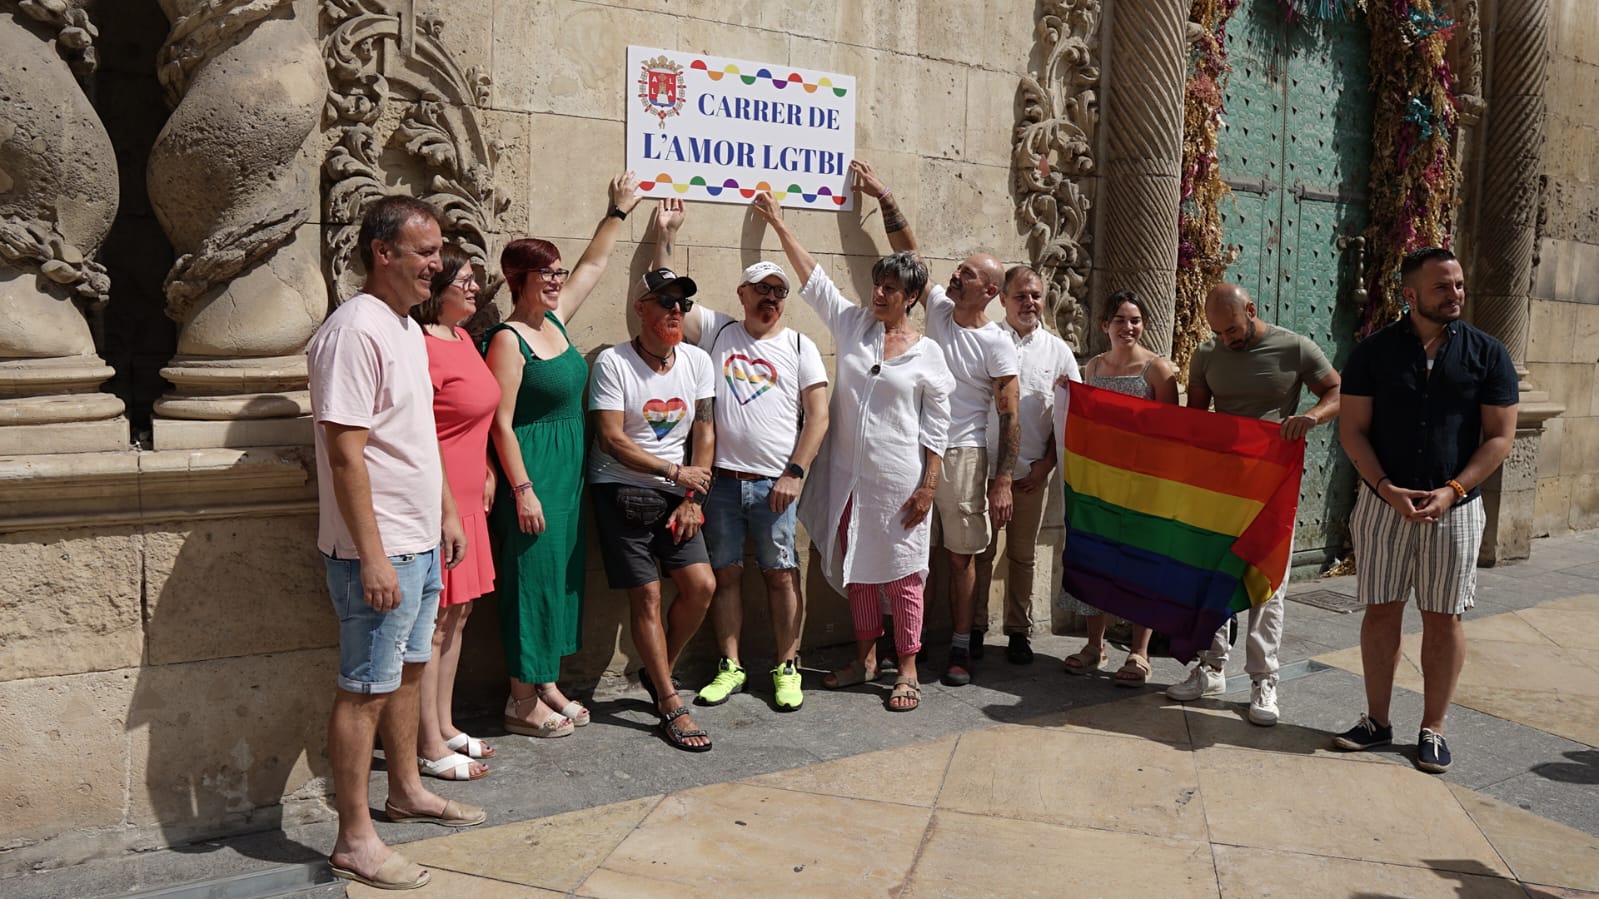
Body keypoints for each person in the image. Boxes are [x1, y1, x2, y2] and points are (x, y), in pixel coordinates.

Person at [310, 196, 485, 893]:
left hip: (419, 542)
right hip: (375, 552)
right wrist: (373, 553)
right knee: (364, 689)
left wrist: (445, 510)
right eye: (424, 251)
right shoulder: (354, 331)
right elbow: (346, 453)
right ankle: (355, 838)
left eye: (438, 251)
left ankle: (407, 788)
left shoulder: (408, 328)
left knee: (409, 672)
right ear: (382, 252)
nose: (436, 264)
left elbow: (419, 437)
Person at [752, 189, 955, 714]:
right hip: (849, 481)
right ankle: (865, 659)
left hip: (901, 482)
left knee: (905, 576)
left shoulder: (928, 354)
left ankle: (906, 668)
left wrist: (929, 485)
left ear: (910, 297)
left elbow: (939, 425)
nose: (879, 294)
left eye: (890, 288)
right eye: (876, 284)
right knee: (858, 571)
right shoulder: (854, 326)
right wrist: (778, 224)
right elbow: (814, 280)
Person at [1332, 247, 1517, 773]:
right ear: (1410, 295)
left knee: (1443, 617)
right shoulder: (1372, 353)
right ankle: (1376, 720)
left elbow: (1500, 437)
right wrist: (1386, 488)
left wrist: (1453, 489)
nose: (1455, 294)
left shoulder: (1489, 354)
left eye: (1458, 284)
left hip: (1454, 508)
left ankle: (1433, 728)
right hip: (1383, 502)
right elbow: (1353, 431)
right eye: (1442, 287)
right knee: (1382, 609)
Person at [650, 199, 831, 712]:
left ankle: (787, 665)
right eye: (762, 290)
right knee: (725, 574)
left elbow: (818, 417)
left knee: (781, 573)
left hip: (777, 484)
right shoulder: (719, 330)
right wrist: (666, 236)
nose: (770, 299)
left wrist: (795, 472)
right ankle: (730, 665)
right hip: (721, 483)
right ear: (742, 294)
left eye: (779, 291)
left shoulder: (800, 346)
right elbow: (667, 299)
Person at [484, 173, 642, 739]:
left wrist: (618, 212)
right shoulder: (508, 338)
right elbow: (500, 423)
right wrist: (522, 490)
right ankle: (520, 697)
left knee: (560, 577)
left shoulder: (552, 319)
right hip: (534, 470)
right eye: (545, 273)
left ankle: (546, 681)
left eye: (556, 271)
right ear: (517, 280)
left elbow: (593, 267)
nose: (556, 280)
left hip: (569, 469)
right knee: (531, 580)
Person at [851, 160, 1020, 688]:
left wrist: (1004, 477)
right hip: (914, 448)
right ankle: (903, 644)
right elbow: (910, 255)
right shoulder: (942, 308)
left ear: (988, 290)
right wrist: (884, 194)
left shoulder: (998, 342)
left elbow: (1008, 412)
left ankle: (962, 646)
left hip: (965, 454)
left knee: (960, 556)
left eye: (968, 273)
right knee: (906, 552)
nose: (956, 274)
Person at [1166, 283, 1341, 727]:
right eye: (1219, 333)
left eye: (1233, 330)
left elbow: (1337, 392)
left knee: (1267, 584)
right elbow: (1197, 422)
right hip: (1221, 485)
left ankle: (1265, 680)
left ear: (1251, 309)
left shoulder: (1295, 347)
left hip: (1274, 483)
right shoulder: (1206, 355)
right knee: (1213, 575)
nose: (1227, 340)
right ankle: (1210, 668)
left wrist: (1312, 417)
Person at [588, 267, 719, 751]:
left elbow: (704, 432)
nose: (675, 311)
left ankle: (655, 668)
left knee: (701, 585)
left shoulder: (697, 362)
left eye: (682, 303)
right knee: (645, 597)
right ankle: (669, 701)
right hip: (621, 489)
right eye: (664, 302)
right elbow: (612, 438)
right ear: (640, 308)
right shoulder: (614, 363)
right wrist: (674, 473)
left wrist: (693, 496)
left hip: (679, 491)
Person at [1060, 290, 1178, 684]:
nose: (1128, 327)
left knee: (1140, 565)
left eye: (1135, 320)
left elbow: (1171, 432)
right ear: (1104, 325)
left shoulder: (1158, 371)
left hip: (1143, 484)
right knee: (1095, 560)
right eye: (1120, 320)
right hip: (1101, 483)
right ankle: (1096, 646)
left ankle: (1140, 653)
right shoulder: (1092, 369)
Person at [412, 247, 498, 779]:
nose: (473, 288)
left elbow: (475, 420)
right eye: (463, 280)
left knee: (458, 615)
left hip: (471, 499)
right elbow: (425, 432)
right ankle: (426, 741)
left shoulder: (463, 338)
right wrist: (448, 502)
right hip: (440, 503)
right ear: (438, 289)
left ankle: (443, 723)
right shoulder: (420, 345)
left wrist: (488, 468)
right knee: (434, 625)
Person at [970, 265, 1081, 665]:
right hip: (981, 471)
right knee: (979, 552)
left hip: (1031, 474)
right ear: (1002, 298)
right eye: (1020, 296)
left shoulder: (1058, 351)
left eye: (1035, 295)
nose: (1029, 303)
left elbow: (1071, 415)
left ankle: (1019, 631)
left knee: (1022, 554)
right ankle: (974, 629)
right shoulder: (984, 340)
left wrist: (1047, 464)